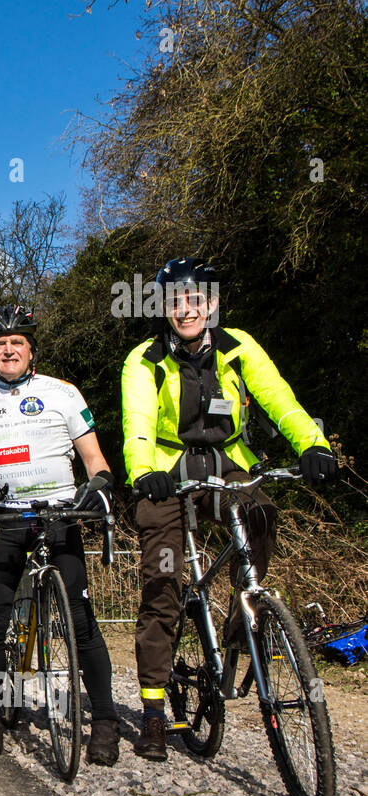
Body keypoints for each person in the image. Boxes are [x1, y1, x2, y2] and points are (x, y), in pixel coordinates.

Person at [121, 258, 337, 760]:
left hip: (228, 466)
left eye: (197, 299)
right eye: (176, 301)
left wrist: (312, 444)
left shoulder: (238, 346)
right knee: (162, 584)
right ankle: (155, 712)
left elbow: (279, 399)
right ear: (164, 309)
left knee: (260, 517)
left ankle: (246, 629)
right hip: (167, 473)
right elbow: (136, 422)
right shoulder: (145, 359)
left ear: (213, 305)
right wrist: (142, 473)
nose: (187, 309)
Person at [0, 306, 120, 766]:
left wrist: (101, 483)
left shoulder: (63, 393)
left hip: (59, 513)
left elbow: (94, 457)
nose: (8, 349)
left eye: (17, 342)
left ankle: (105, 720)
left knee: (80, 619)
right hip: (1, 519)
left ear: (31, 350)